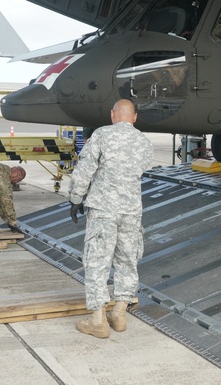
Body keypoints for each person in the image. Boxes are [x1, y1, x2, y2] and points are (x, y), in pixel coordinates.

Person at [67, 99, 154, 339]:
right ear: (134, 118)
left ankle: (97, 320)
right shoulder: (144, 142)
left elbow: (86, 168)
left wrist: (76, 197)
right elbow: (142, 168)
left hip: (104, 209)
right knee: (127, 260)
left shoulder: (102, 135)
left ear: (113, 114)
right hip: (131, 211)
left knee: (97, 260)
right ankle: (119, 313)